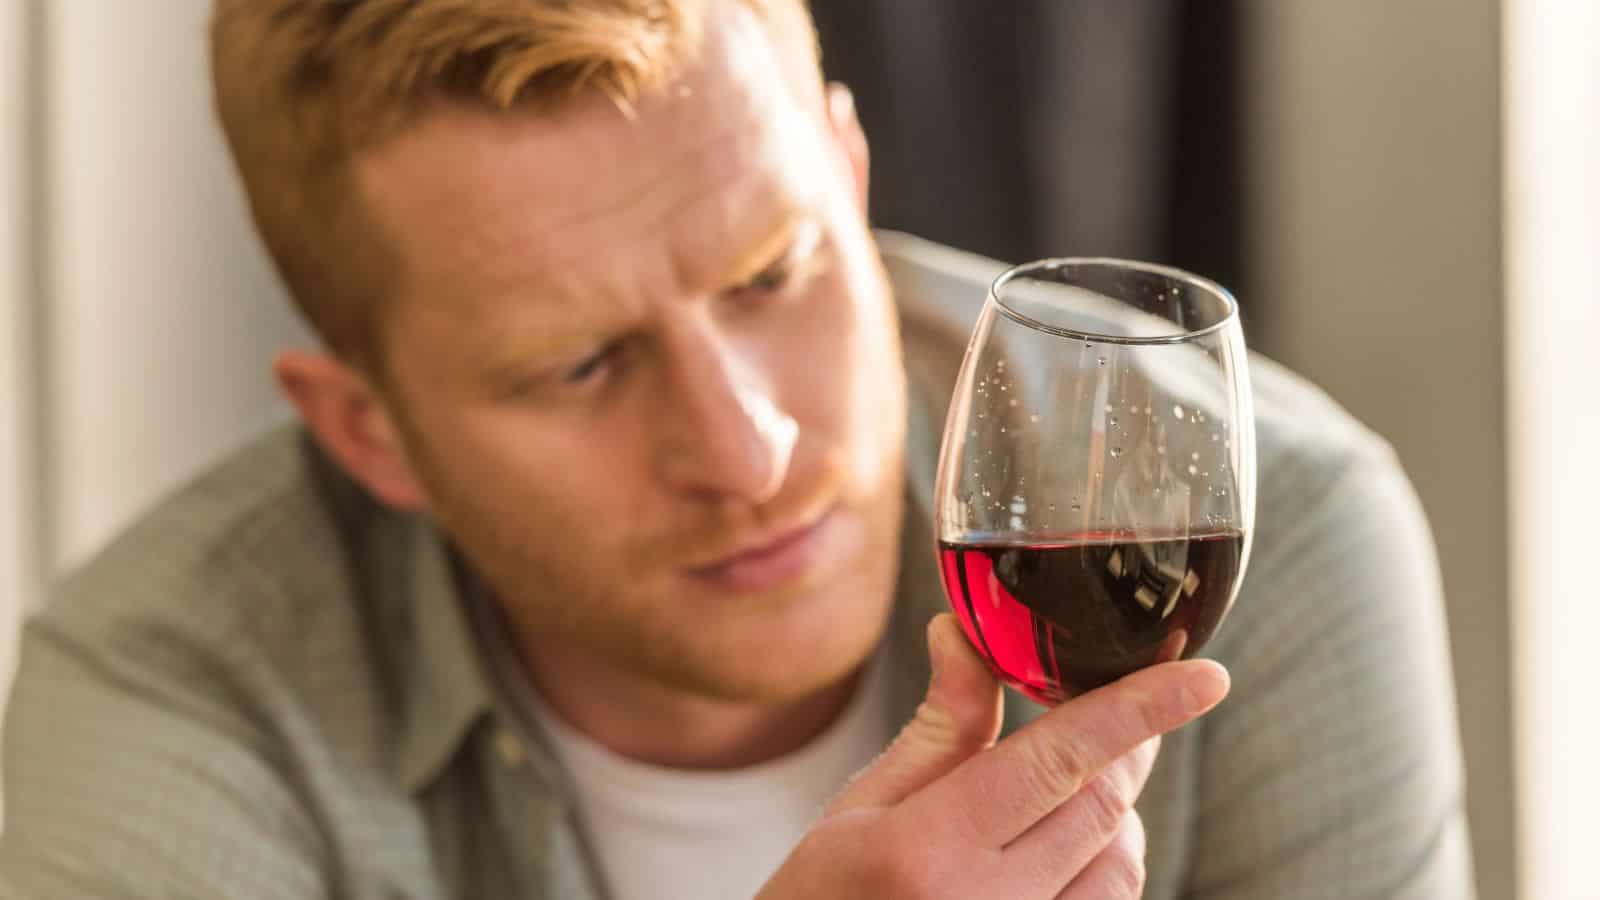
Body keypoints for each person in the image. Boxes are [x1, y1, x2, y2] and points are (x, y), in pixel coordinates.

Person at [0, 1, 1475, 898]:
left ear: (848, 170)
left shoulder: (1262, 524)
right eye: (579, 363)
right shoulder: (177, 681)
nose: (748, 445)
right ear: (366, 430)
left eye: (773, 274)